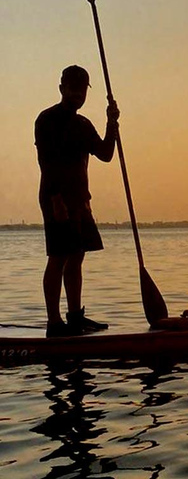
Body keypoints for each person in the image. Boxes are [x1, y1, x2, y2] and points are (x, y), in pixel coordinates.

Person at [35, 65, 120, 338]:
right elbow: (46, 164)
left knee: (77, 256)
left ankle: (75, 317)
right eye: (72, 88)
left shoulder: (83, 125)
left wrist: (112, 123)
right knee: (58, 258)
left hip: (80, 199)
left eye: (82, 90)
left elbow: (106, 154)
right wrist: (57, 200)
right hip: (55, 196)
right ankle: (54, 322)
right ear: (62, 89)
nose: (77, 94)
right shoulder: (47, 120)